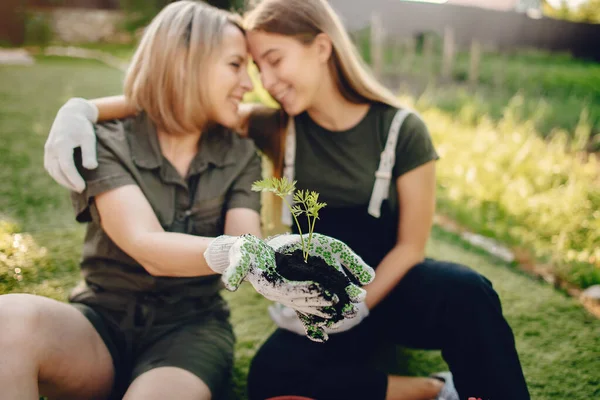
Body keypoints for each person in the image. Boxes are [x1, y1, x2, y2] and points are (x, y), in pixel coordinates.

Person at [43, 1, 530, 399]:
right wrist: (84, 109)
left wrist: (356, 308)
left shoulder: (402, 130)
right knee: (272, 377)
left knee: (468, 290)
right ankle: (431, 390)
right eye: (255, 67)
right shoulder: (273, 126)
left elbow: (411, 247)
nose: (265, 82)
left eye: (274, 61)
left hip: (389, 288)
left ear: (321, 47)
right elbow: (175, 92)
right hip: (318, 294)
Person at [5, 2, 371, 400]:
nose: (250, 84)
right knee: (9, 320)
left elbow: (244, 235)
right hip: (99, 323)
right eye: (235, 65)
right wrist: (83, 108)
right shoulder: (109, 141)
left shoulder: (239, 153)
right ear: (185, 63)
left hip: (189, 336)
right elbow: (145, 245)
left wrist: (275, 261)